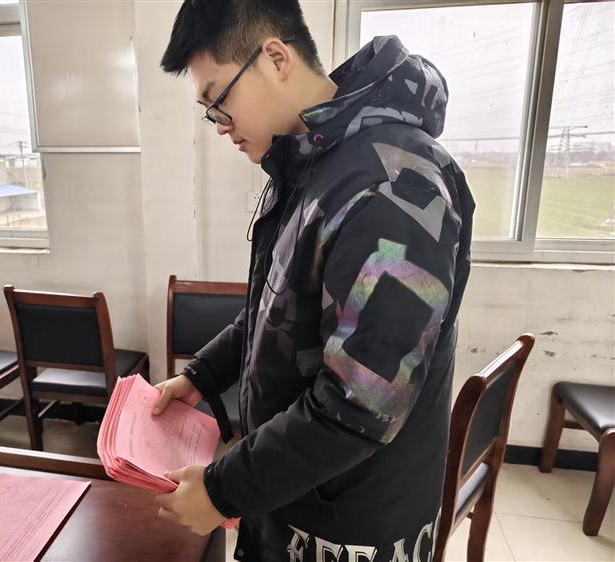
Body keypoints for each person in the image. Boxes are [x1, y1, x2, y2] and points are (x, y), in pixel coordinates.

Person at [152, 1, 475, 560]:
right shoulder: (312, 163)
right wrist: (203, 375)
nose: (220, 126)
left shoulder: (389, 188)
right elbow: (276, 303)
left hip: (352, 524)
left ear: (275, 58)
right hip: (296, 490)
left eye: (218, 100)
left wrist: (222, 491)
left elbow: (360, 404)